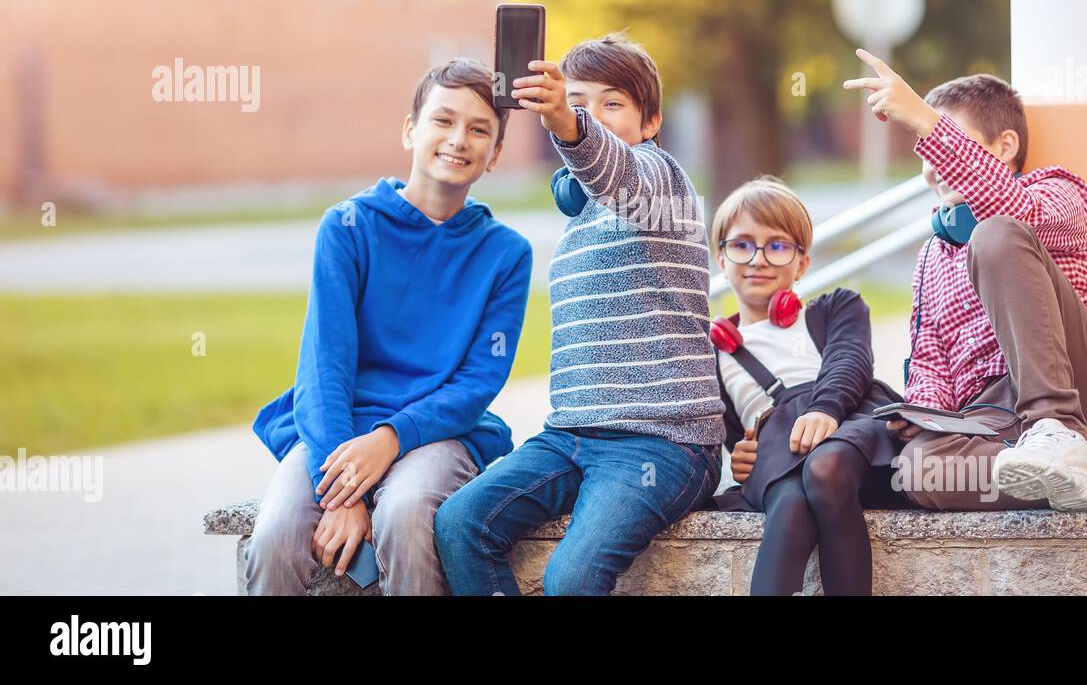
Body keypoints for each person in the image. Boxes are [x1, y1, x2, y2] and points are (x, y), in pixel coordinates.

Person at [843, 53, 1087, 511]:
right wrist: (925, 415)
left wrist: (927, 123)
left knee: (995, 234)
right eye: (923, 152)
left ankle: (1059, 430)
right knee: (919, 466)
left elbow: (1013, 212)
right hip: (997, 420)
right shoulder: (932, 254)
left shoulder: (1056, 192)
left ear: (1005, 145)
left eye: (940, 141)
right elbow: (931, 362)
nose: (930, 166)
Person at [436, 33, 723, 595]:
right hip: (570, 434)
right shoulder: (586, 212)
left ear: (651, 122)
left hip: (663, 441)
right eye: (580, 101)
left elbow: (618, 172)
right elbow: (598, 175)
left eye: (612, 103)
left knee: (572, 577)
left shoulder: (659, 184)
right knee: (460, 523)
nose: (592, 115)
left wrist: (569, 121)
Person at [244, 58, 532, 595]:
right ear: (410, 130)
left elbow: (475, 385)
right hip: (337, 428)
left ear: (494, 154)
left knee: (404, 513)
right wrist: (344, 496)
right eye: (443, 121)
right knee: (276, 535)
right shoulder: (348, 226)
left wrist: (391, 438)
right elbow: (324, 367)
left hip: (439, 433)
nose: (458, 139)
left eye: (478, 130)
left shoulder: (506, 254)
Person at [706, 176, 906, 595]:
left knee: (825, 467)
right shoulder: (714, 355)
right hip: (780, 452)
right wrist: (739, 456)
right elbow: (729, 438)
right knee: (793, 502)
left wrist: (824, 409)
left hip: (852, 429)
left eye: (777, 246)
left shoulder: (836, 307)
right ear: (721, 258)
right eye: (742, 244)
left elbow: (850, 362)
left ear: (802, 263)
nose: (758, 258)